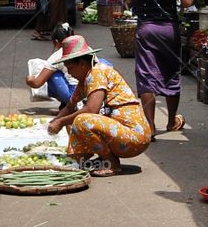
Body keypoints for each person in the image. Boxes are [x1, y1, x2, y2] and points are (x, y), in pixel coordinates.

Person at [124, 0, 194, 140]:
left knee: (146, 76)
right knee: (171, 73)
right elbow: (186, 2)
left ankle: (150, 126)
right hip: (169, 29)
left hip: (146, 28)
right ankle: (172, 120)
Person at [47, 34, 151, 176]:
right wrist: (54, 122)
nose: (69, 73)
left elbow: (91, 109)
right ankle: (94, 158)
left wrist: (60, 121)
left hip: (134, 138)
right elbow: (69, 107)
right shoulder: (84, 79)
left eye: (70, 68)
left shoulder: (97, 72)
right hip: (119, 133)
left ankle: (113, 164)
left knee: (82, 120)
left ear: (82, 64)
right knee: (71, 122)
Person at [27, 23, 112, 106]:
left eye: (70, 68)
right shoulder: (86, 49)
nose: (70, 72)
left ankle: (70, 103)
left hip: (77, 93)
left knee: (52, 74)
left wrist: (29, 80)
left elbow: (37, 83)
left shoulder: (57, 56)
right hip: (87, 90)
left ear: (56, 42)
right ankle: (68, 104)